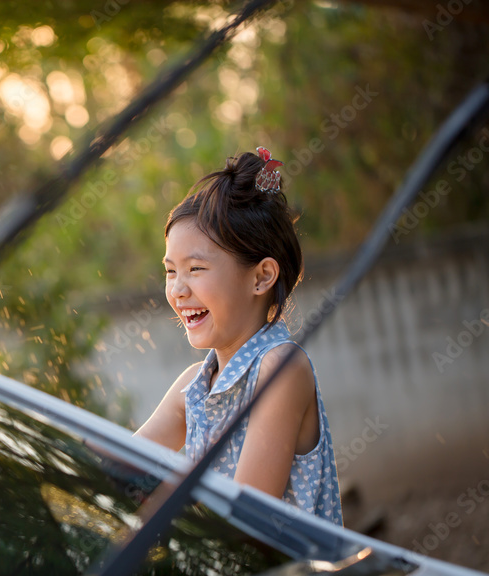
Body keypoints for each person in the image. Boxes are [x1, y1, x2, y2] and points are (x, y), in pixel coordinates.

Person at [135, 147, 342, 525]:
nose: (178, 290)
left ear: (262, 276)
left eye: (196, 268)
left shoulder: (282, 368)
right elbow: (120, 463)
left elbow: (244, 521)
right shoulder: (193, 387)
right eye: (170, 272)